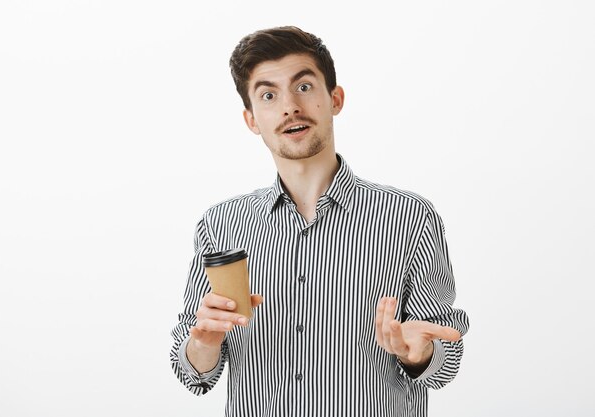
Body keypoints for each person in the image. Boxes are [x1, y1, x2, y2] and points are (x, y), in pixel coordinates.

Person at [170, 26, 469, 417]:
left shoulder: (410, 218)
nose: (290, 106)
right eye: (268, 95)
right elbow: (192, 371)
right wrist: (204, 342)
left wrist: (422, 353)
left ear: (335, 98)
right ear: (252, 119)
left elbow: (444, 361)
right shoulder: (221, 225)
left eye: (304, 87)